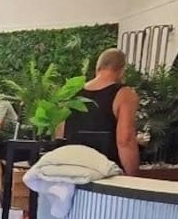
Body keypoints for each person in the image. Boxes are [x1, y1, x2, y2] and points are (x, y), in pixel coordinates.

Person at [60, 47, 140, 177]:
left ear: (98, 67)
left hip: (74, 170)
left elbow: (60, 133)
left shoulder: (72, 93)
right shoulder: (124, 95)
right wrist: (133, 177)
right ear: (121, 70)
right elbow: (125, 140)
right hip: (107, 173)